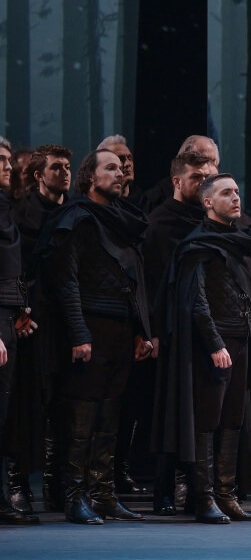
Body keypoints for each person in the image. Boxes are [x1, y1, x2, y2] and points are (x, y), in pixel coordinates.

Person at [38, 148, 155, 524]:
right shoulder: (77, 218)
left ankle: (103, 494)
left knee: (109, 418)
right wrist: (78, 332)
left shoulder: (123, 221)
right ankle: (74, 495)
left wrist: (141, 331)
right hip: (89, 327)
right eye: (111, 168)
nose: (119, 174)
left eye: (121, 169)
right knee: (82, 418)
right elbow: (66, 281)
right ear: (91, 177)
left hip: (120, 330)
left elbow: (134, 282)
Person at [157, 174, 251, 524]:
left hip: (241, 342)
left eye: (237, 192)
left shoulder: (242, 243)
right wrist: (214, 343)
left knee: (233, 421)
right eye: (227, 193)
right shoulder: (197, 245)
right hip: (212, 346)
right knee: (207, 422)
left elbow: (250, 297)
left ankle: (226, 495)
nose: (235, 198)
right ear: (208, 202)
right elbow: (196, 301)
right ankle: (204, 498)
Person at [143, 150, 219, 515]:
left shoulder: (212, 224)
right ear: (177, 181)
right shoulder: (159, 224)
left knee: (202, 414)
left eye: (208, 178)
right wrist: (154, 332)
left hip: (210, 331)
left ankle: (200, 487)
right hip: (173, 332)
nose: (203, 184)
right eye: (195, 178)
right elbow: (152, 284)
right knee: (170, 412)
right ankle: (165, 488)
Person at [6, 144, 72, 515]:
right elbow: (18, 267)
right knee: (25, 404)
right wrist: (22, 309)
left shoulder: (75, 212)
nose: (64, 173)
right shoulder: (21, 214)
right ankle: (19, 486)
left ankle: (55, 485)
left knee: (63, 406)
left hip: (66, 319)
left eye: (67, 167)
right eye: (56, 167)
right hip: (30, 320)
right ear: (37, 175)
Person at [0, 138, 40, 525]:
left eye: (9, 160)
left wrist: (19, 309)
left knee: (8, 411)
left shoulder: (4, 207)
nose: (8, 166)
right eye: (0, 160)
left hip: (7, 318)